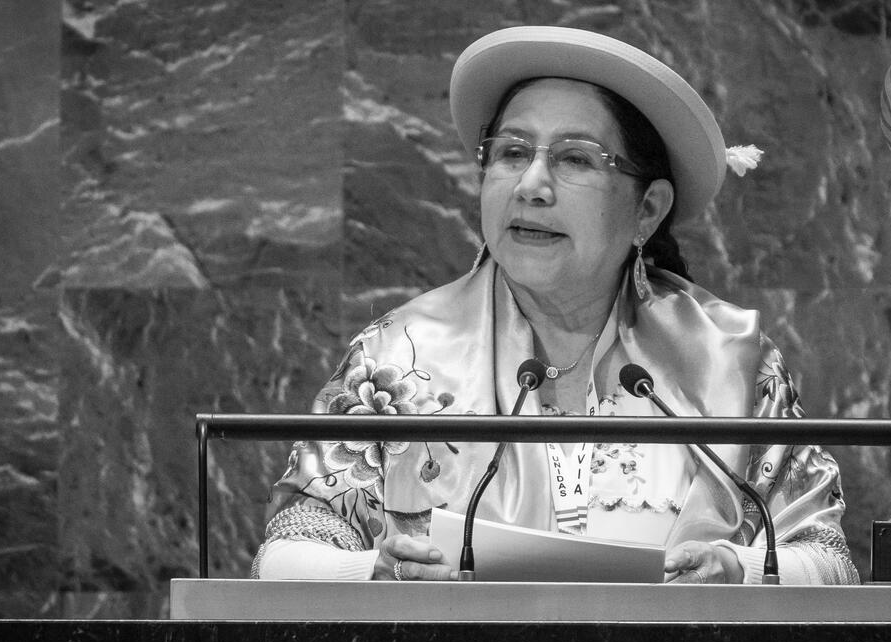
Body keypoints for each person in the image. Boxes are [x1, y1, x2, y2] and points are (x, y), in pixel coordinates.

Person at [252, 26, 859, 585]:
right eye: (512, 153)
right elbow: (283, 552)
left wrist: (738, 570)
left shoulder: (731, 363)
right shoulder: (400, 354)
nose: (530, 186)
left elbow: (829, 560)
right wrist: (371, 571)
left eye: (574, 159)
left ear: (647, 210)